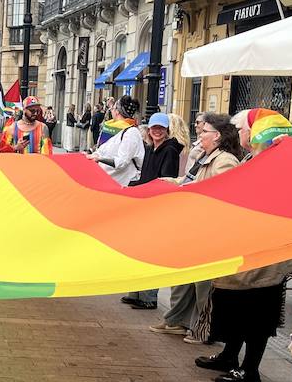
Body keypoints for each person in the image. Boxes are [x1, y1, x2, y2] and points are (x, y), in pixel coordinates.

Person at [196, 113, 292, 382]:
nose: (238, 132)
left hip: (266, 259)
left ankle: (249, 369)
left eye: (242, 128)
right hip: (250, 253)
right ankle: (230, 356)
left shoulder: (276, 164)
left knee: (256, 316)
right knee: (237, 309)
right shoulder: (252, 159)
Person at [150, 113, 243, 342]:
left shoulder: (225, 161)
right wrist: (172, 183)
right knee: (183, 276)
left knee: (204, 284)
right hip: (194, 226)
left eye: (204, 132)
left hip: (209, 230)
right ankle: (177, 320)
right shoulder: (205, 155)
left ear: (218, 136)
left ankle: (204, 328)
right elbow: (190, 180)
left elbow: (221, 195)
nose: (199, 135)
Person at [119, 113, 185, 311]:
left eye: (161, 128)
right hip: (145, 204)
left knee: (150, 251)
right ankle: (136, 292)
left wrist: (143, 190)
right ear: (149, 130)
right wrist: (131, 187)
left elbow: (165, 180)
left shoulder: (170, 150)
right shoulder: (150, 149)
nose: (157, 131)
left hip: (157, 206)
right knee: (138, 248)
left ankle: (149, 297)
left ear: (167, 130)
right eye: (154, 128)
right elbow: (146, 177)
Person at [90, 95, 143, 186]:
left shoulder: (131, 132)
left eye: (113, 107)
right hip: (106, 182)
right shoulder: (111, 129)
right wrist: (93, 153)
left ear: (118, 112)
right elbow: (102, 149)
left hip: (122, 184)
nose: (111, 110)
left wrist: (99, 159)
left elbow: (121, 162)